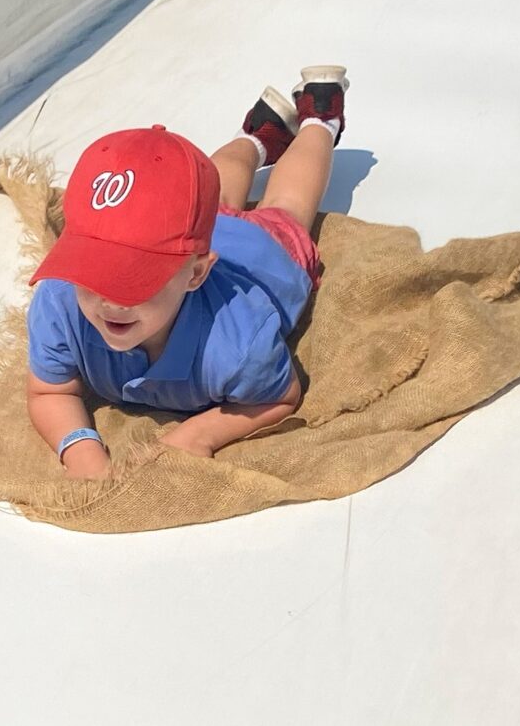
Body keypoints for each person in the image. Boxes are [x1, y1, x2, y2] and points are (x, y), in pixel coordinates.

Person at [25, 65, 349, 479]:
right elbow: (50, 391)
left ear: (196, 275)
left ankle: (320, 117)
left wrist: (204, 433)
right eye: (90, 269)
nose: (107, 298)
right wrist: (78, 447)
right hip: (188, 239)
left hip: (260, 254)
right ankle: (256, 137)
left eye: (132, 279)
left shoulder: (239, 346)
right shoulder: (58, 300)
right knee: (209, 197)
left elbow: (281, 397)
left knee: (286, 205)